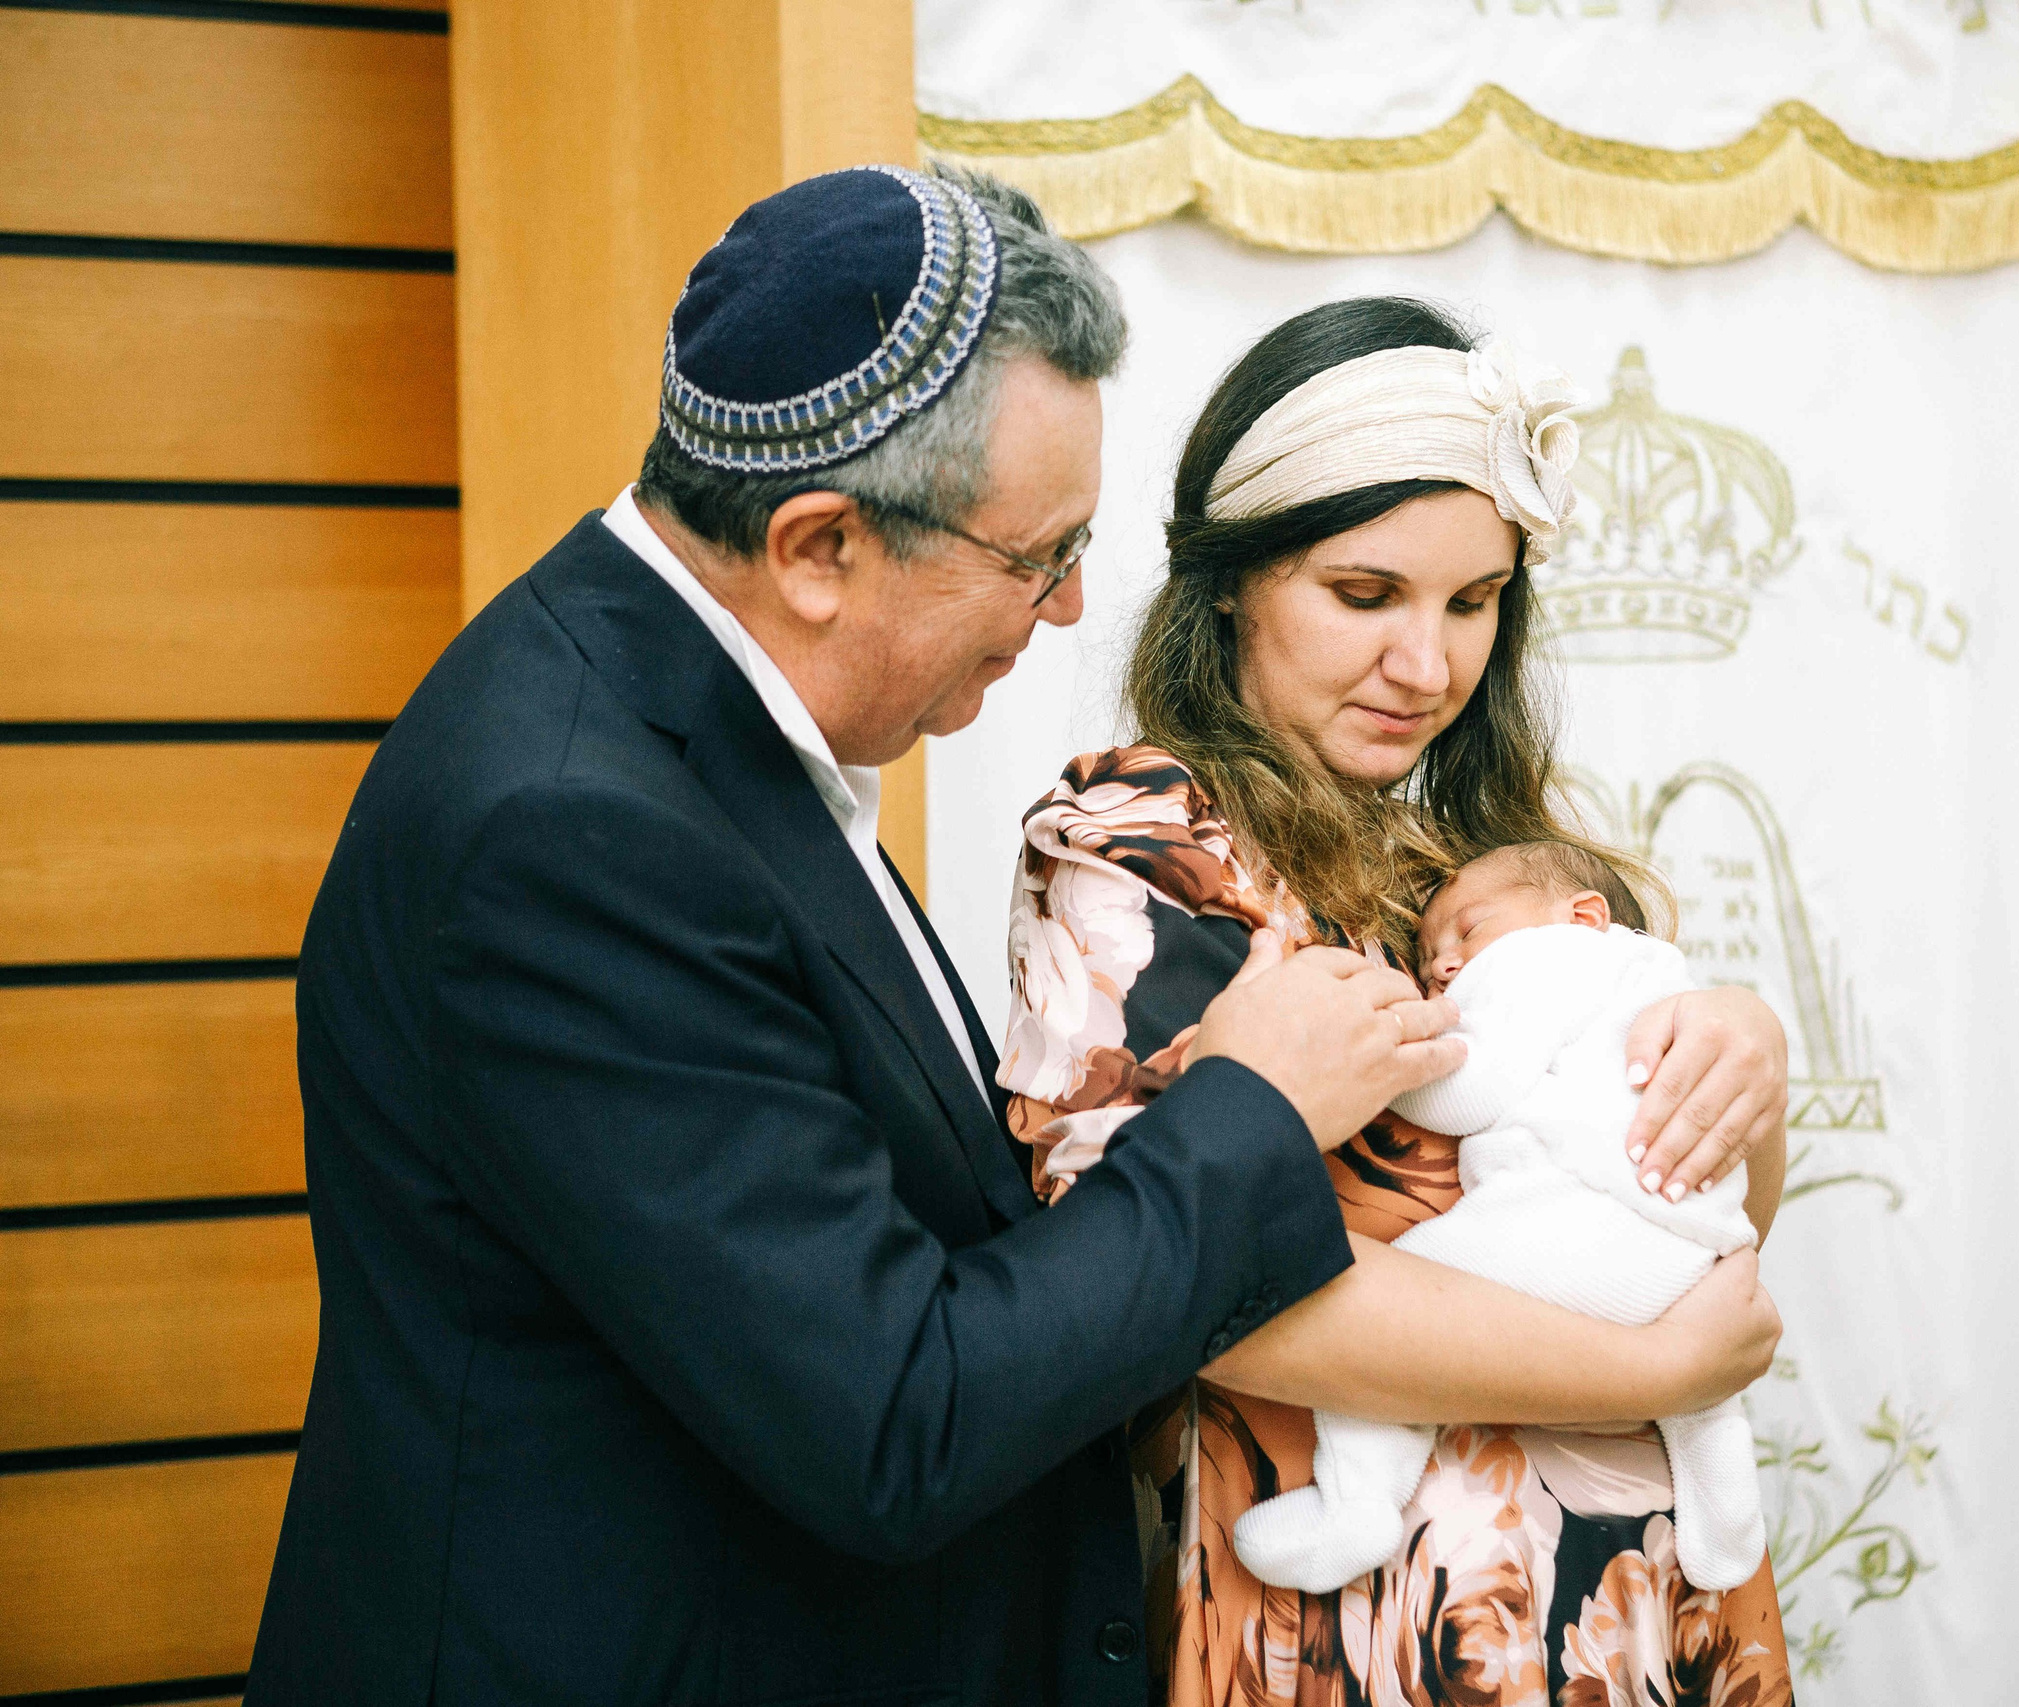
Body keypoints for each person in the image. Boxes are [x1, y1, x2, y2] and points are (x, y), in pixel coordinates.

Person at [244, 167, 1771, 1707]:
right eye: (1035, 555)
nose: (1067, 608)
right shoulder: (570, 826)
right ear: (819, 544)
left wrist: (1725, 1059)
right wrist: (1250, 1102)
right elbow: (891, 1409)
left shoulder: (699, 736)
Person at [1002, 298, 1796, 1703]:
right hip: (1362, 1627)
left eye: (1473, 602)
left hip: (1607, 1595)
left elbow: (1672, 1212)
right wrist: (1647, 1368)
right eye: (1366, 594)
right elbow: (1181, 1295)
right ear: (1234, 580)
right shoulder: (1143, 838)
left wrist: (1736, 1050)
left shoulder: (1474, 869)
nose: (1427, 665)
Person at [1233, 842, 1768, 1599]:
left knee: (1407, 1302)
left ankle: (1356, 1503)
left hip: (1585, 1218)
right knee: (1700, 1397)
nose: (1444, 963)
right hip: (1692, 1250)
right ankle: (1727, 1522)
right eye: (1426, 954)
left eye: (1468, 930)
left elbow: (1470, 1088)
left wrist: (1387, 1055)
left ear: (1582, 915)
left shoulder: (1550, 960)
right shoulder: (1651, 979)